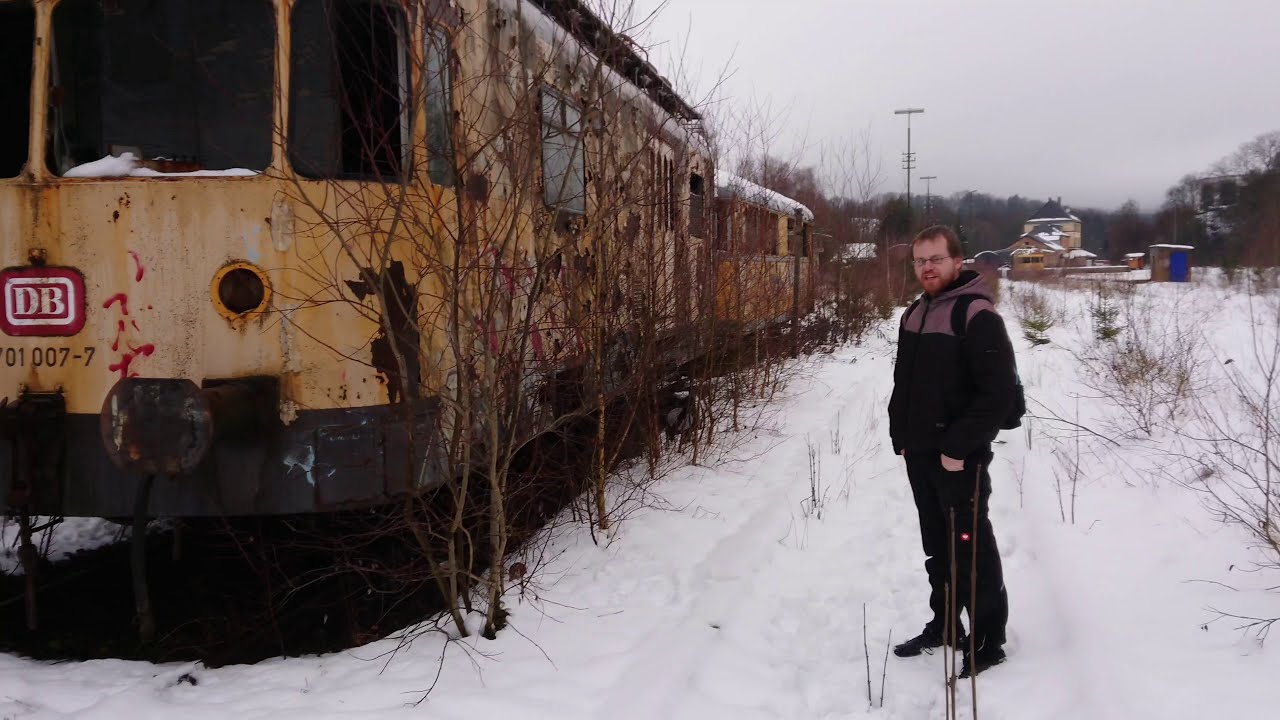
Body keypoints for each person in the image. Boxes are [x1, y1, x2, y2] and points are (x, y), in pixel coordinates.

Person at [888, 225, 1016, 679]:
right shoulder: (913, 315)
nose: (927, 268)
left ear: (957, 261)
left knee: (971, 548)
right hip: (920, 454)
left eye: (936, 259)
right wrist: (899, 432)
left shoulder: (977, 316)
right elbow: (905, 383)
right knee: (937, 547)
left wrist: (958, 448)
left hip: (958, 458)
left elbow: (998, 395)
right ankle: (945, 625)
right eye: (920, 260)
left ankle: (987, 640)